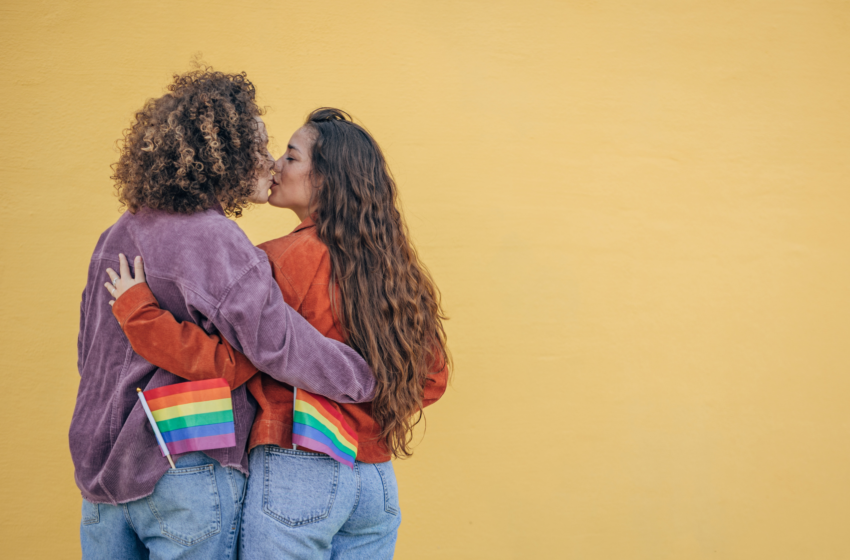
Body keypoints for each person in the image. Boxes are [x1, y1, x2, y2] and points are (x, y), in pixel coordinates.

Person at [105, 108, 450, 559]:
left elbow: (223, 362)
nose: (275, 166)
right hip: (376, 485)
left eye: (290, 156)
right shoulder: (399, 273)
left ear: (325, 179)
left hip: (300, 466)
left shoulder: (277, 263)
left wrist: (137, 312)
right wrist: (367, 408)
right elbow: (432, 379)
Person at [73, 74, 375, 560]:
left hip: (101, 478)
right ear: (223, 156)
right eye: (258, 146)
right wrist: (363, 378)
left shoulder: (115, 235)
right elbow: (276, 346)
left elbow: (90, 356)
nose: (270, 162)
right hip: (185, 468)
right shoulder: (215, 241)